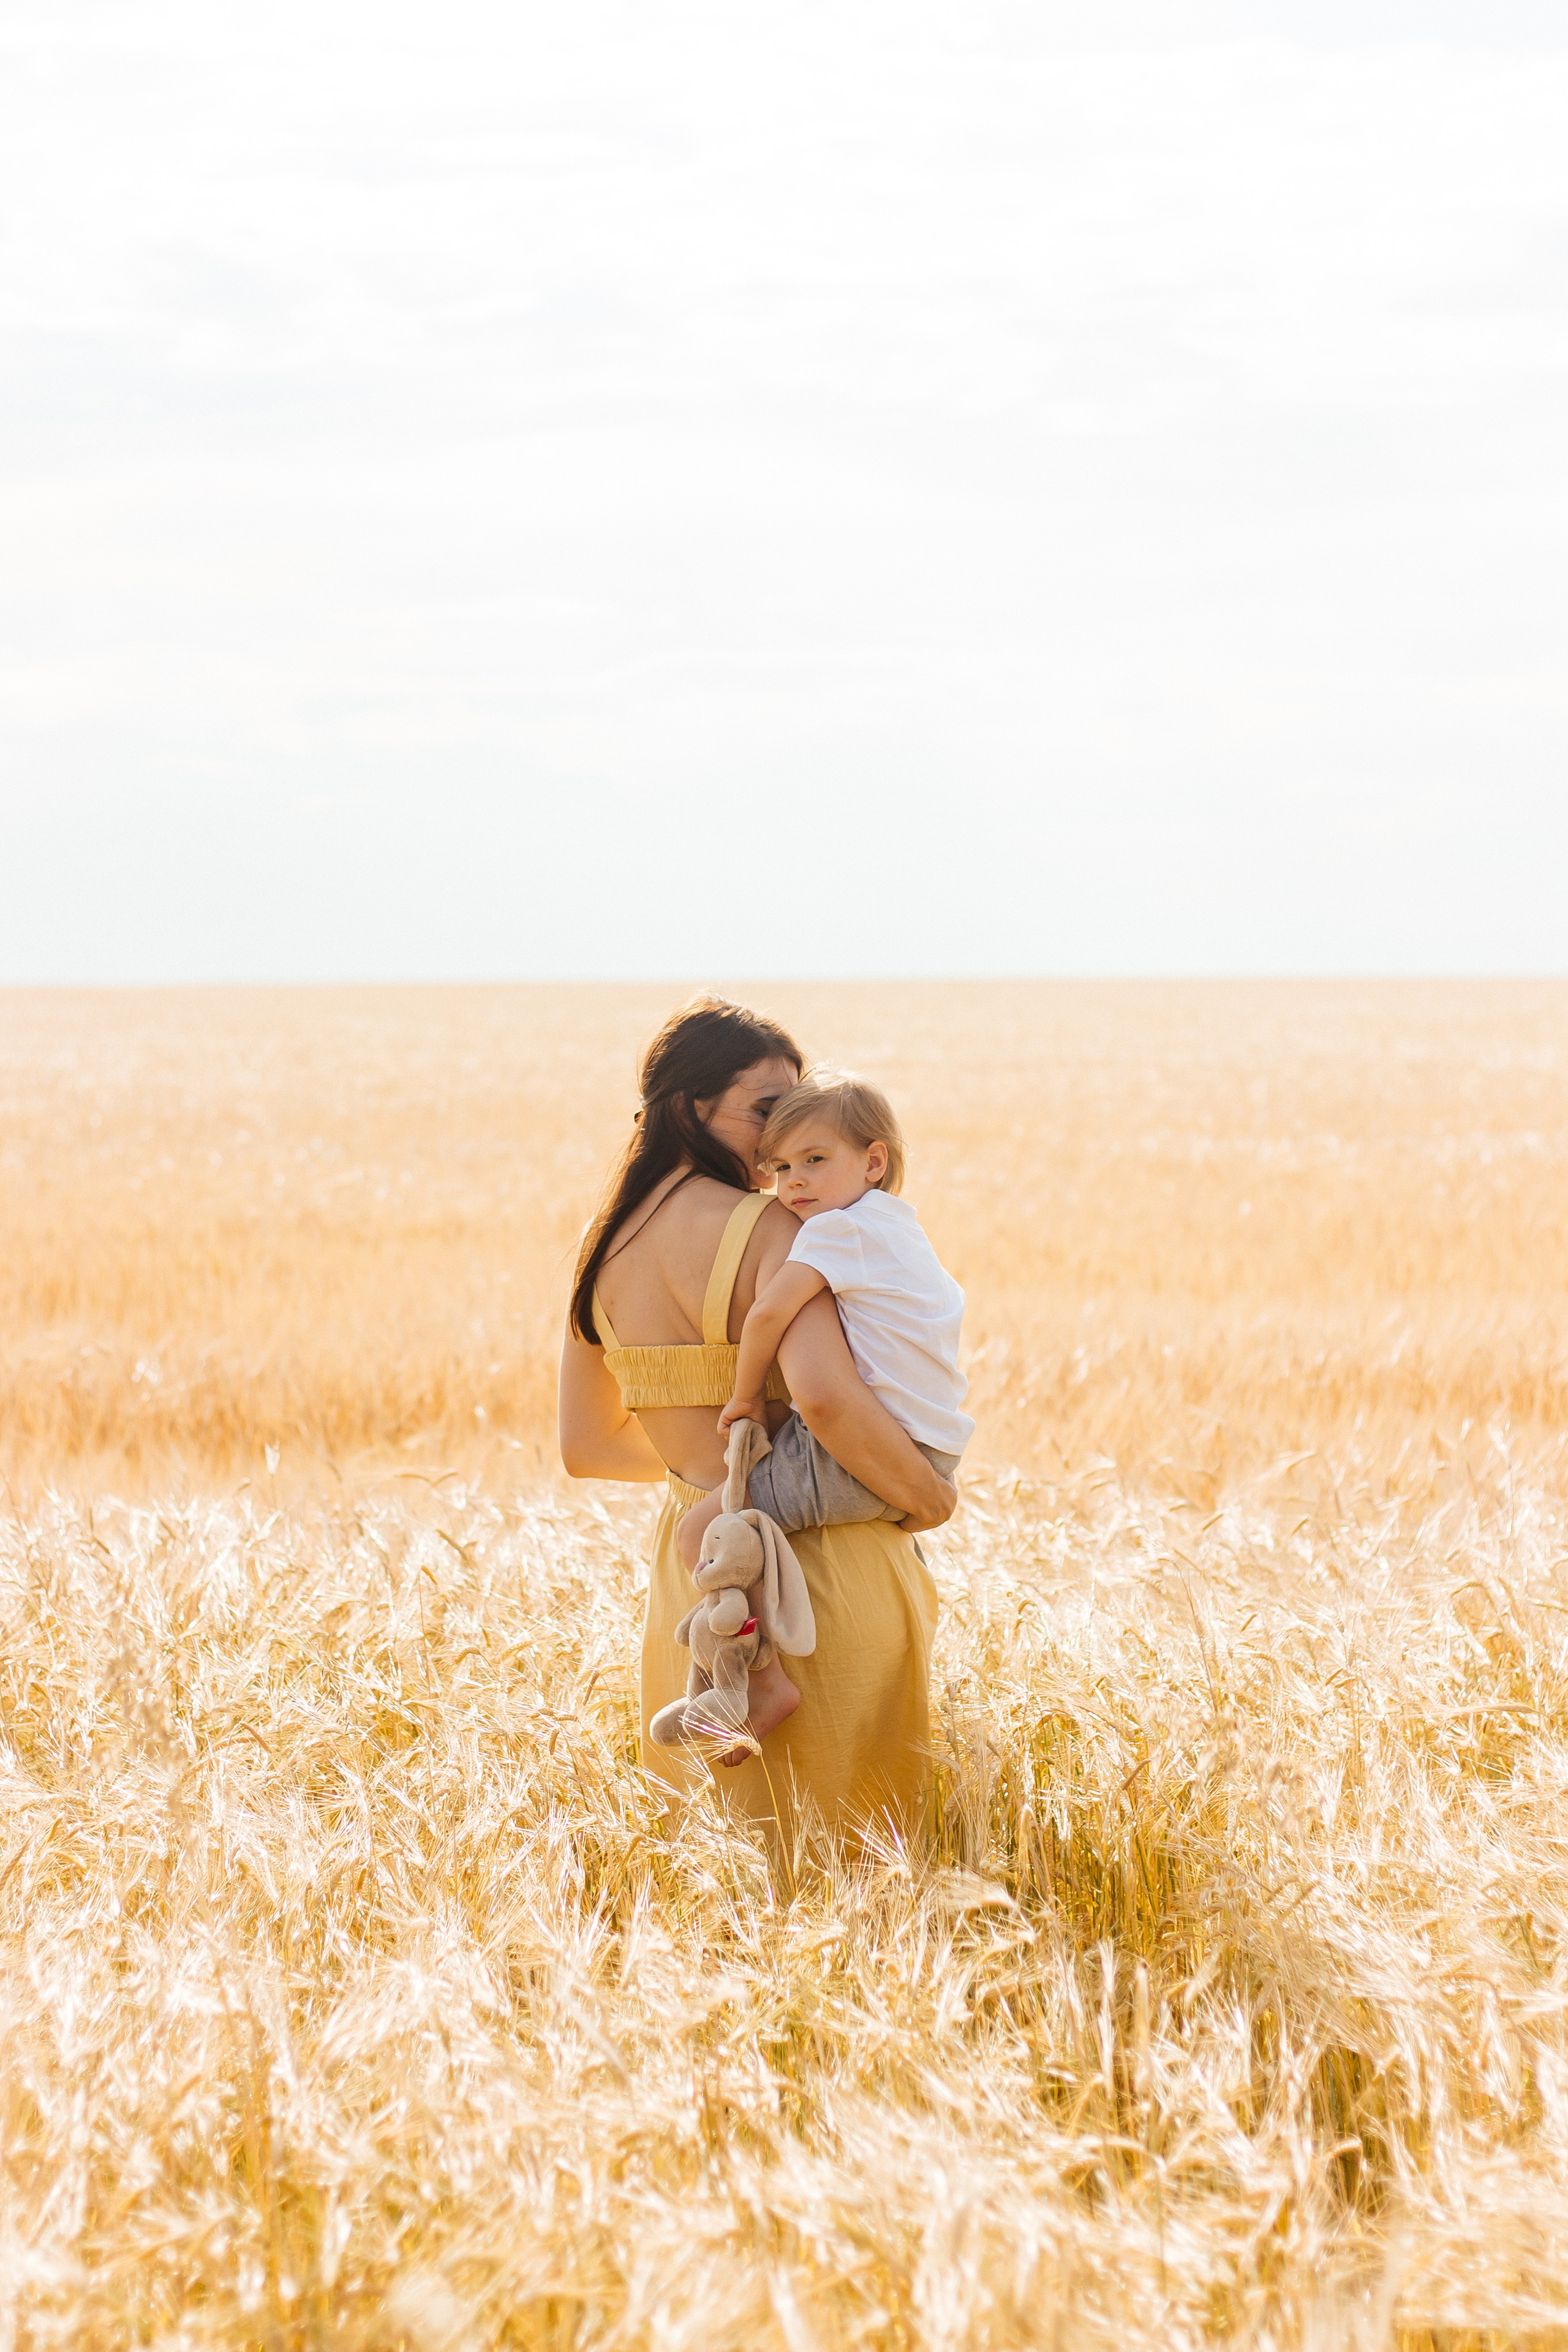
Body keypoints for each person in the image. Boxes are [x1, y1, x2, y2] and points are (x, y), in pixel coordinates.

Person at [557, 996, 955, 1845]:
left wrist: (710, 1477)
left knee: (715, 1878)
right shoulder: (777, 1225)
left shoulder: (605, 1246)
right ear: (693, 1109)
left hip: (701, 1594)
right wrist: (924, 1493)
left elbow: (586, 1448)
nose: (786, 1140)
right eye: (767, 1112)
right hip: (818, 1582)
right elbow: (824, 1398)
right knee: (864, 1872)